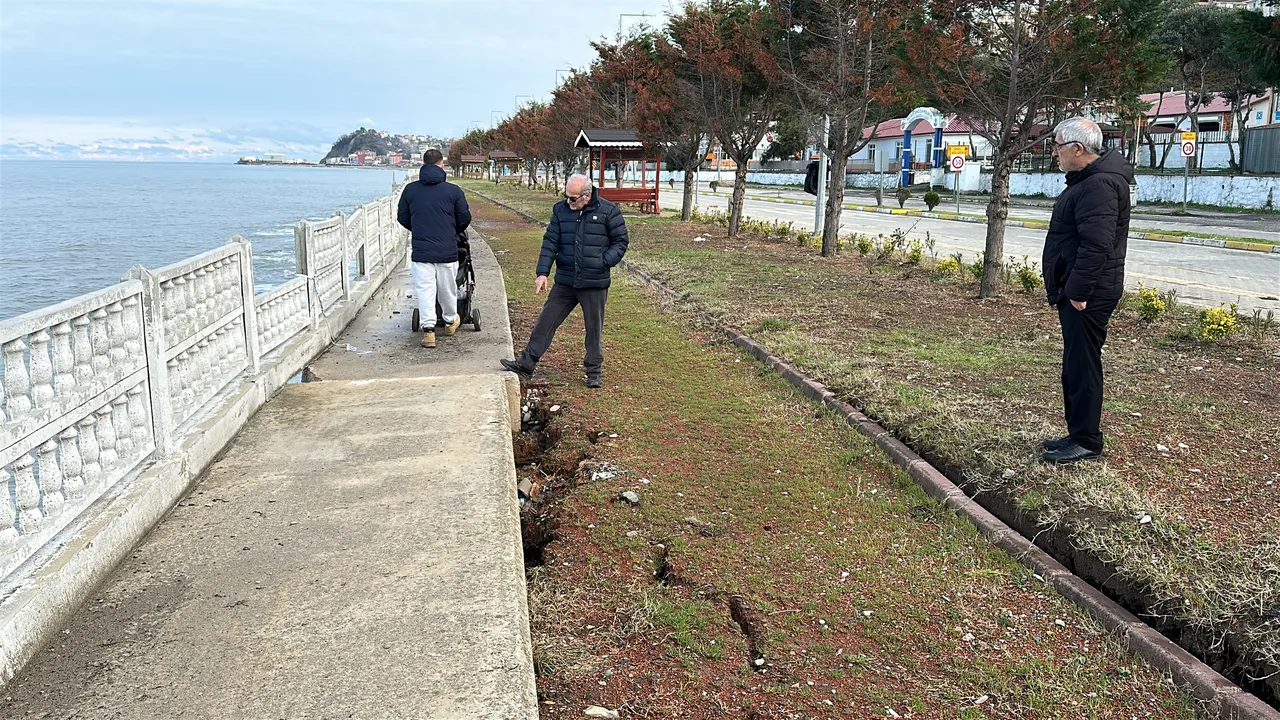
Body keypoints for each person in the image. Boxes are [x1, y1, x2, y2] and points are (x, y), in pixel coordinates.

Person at [1040, 117, 1133, 464]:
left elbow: (1098, 246)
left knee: (1083, 365)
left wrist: (1077, 291)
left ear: (1078, 149)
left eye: (1058, 146)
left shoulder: (1099, 185)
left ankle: (1087, 441)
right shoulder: (1088, 180)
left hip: (1087, 294)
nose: (1054, 154)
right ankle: (1077, 432)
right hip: (1079, 289)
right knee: (1075, 364)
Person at [501, 174, 629, 388]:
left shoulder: (608, 211)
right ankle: (527, 362)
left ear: (586, 197)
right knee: (546, 321)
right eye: (566, 196)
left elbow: (621, 241)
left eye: (573, 198)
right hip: (566, 280)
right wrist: (542, 273)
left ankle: (594, 372)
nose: (568, 202)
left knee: (594, 328)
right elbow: (550, 242)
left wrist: (603, 262)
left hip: (594, 282)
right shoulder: (560, 210)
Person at [398, 148, 471, 348]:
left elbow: (402, 217)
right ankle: (449, 321)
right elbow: (464, 218)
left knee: (425, 290)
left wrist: (419, 229)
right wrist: (450, 230)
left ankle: (428, 331)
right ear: (442, 165)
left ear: (423, 164)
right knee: (448, 289)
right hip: (447, 249)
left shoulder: (410, 190)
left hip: (421, 251)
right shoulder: (453, 191)